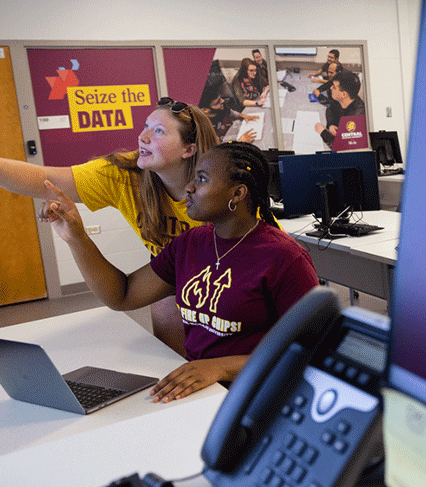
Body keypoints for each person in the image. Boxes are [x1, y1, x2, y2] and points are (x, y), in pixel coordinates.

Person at [40, 142, 319, 402]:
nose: (188, 188)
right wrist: (77, 237)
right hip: (201, 388)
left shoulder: (284, 256)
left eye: (202, 179)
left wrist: (221, 367)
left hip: (257, 393)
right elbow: (122, 296)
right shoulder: (191, 243)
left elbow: (312, 346)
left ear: (238, 193)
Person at [0, 98, 219, 353]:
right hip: (174, 275)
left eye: (158, 131)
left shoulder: (222, 193)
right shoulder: (126, 173)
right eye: (146, 126)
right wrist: (76, 236)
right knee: (175, 357)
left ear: (189, 150)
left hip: (227, 278)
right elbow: (45, 180)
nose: (143, 137)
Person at [315, 69, 365, 147]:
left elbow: (342, 147)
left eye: (334, 87)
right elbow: (330, 108)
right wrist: (331, 125)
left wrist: (323, 132)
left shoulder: (357, 117)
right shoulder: (341, 99)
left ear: (344, 94)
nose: (331, 88)